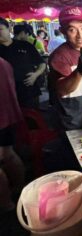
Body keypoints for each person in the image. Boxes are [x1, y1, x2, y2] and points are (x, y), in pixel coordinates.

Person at [48, 7, 82, 130]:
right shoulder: (59, 56)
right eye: (72, 30)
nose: (80, 35)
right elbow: (62, 90)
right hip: (72, 120)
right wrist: (79, 72)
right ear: (63, 31)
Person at [0, 20, 46, 108]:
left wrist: (35, 75)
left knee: (32, 118)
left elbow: (41, 63)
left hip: (29, 91)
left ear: (9, 29)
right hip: (6, 96)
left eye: (0, 29)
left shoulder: (25, 45)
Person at [0, 56, 24, 214]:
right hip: (7, 115)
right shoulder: (3, 61)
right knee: (8, 153)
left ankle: (6, 204)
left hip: (2, 115)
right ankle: (21, 189)